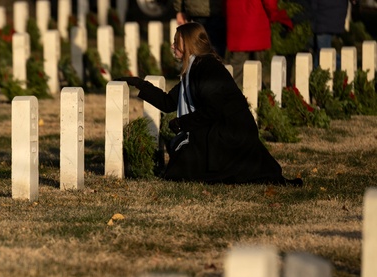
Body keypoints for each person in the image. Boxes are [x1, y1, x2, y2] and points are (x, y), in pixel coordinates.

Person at [123, 22, 301, 185]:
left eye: (177, 42)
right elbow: (169, 102)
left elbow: (214, 110)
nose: (172, 46)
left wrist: (182, 123)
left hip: (231, 133)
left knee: (180, 171)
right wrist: (140, 84)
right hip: (217, 128)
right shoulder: (193, 69)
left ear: (189, 44)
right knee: (178, 166)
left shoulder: (208, 68)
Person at [226, 0, 293, 87]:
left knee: (236, 70)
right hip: (257, 23)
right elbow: (270, 3)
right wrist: (279, 16)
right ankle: (261, 98)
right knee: (260, 70)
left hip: (236, 23)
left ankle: (232, 97)